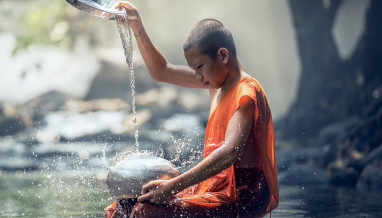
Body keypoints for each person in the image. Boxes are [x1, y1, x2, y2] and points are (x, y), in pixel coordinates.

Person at [105, 2, 279, 218]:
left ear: (223, 56)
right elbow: (162, 72)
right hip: (212, 189)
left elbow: (230, 152)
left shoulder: (246, 91)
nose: (197, 77)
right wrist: (136, 25)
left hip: (240, 200)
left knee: (144, 211)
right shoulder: (217, 82)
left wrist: (173, 186)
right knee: (121, 207)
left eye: (199, 67)